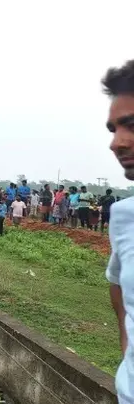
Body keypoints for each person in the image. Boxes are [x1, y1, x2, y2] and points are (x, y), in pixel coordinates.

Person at [101, 59, 134, 402]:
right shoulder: (124, 217)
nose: (117, 143)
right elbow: (118, 287)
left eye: (132, 125)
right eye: (113, 129)